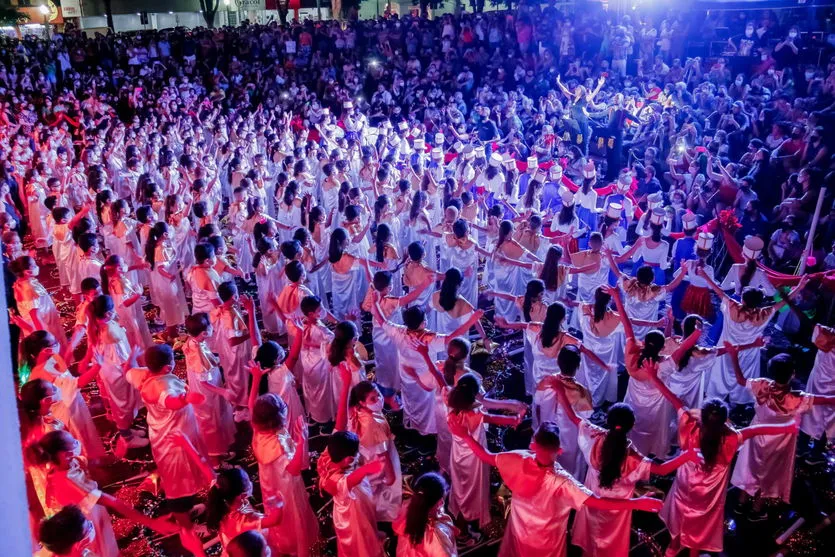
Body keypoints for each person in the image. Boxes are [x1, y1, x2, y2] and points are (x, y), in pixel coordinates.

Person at [646, 367, 802, 557]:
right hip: (707, 498)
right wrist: (789, 426)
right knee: (700, 526)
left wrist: (654, 377)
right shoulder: (732, 438)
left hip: (684, 488)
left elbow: (673, 399)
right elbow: (760, 429)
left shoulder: (689, 425)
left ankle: (672, 547)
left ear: (702, 417)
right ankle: (693, 552)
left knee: (680, 516)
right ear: (724, 421)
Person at [447, 420, 663, 557]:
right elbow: (597, 502)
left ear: (533, 444)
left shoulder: (518, 458)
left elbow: (485, 456)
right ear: (559, 451)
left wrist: (464, 435)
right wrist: (636, 503)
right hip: (547, 541)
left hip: (520, 530)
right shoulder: (562, 481)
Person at [727, 349, 835, 519]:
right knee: (769, 472)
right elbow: (828, 400)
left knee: (750, 466)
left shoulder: (761, 385)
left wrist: (733, 355)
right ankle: (756, 509)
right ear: (793, 374)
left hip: (756, 436)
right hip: (779, 442)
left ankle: (741, 503)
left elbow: (740, 379)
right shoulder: (797, 398)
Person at [125, 344, 214, 549]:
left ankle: (185, 512)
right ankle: (186, 527)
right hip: (174, 445)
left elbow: (127, 371)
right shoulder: (162, 386)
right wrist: (186, 398)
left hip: (165, 437)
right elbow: (171, 401)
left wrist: (132, 357)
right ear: (168, 367)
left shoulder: (142, 374)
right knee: (178, 486)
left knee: (180, 481)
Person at [250, 392, 319, 556]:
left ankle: (281, 540)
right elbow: (294, 469)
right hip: (286, 487)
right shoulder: (278, 444)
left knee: (275, 512)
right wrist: (302, 440)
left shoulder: (258, 431)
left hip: (270, 485)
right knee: (292, 513)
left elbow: (251, 403)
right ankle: (295, 544)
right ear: (278, 418)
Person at [206, 467, 285, 550]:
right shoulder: (241, 521)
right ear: (241, 495)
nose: (250, 483)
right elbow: (274, 520)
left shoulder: (224, 503)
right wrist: (279, 501)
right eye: (247, 481)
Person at [393, 473, 458, 557]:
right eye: (441, 499)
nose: (442, 502)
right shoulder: (434, 536)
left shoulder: (408, 517)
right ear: (438, 502)